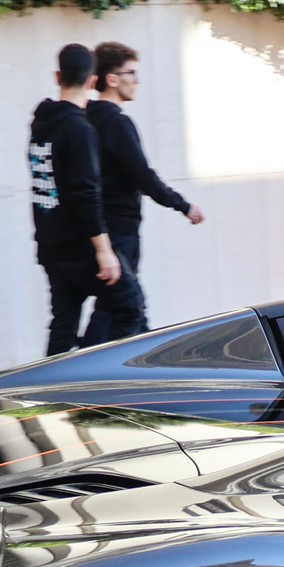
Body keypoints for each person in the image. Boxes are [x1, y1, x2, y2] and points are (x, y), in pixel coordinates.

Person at [82, 42, 204, 346]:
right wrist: (183, 205)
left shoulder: (84, 118)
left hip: (94, 226)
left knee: (117, 304)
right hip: (119, 230)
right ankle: (93, 368)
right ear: (112, 78)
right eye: (131, 73)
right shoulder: (116, 122)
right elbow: (142, 176)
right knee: (124, 305)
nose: (136, 80)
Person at [27, 43, 126, 356]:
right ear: (94, 81)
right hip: (79, 246)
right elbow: (86, 193)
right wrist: (104, 249)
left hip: (50, 244)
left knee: (62, 326)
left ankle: (48, 395)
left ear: (58, 76)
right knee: (129, 308)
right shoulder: (78, 128)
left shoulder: (41, 124)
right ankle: (105, 386)